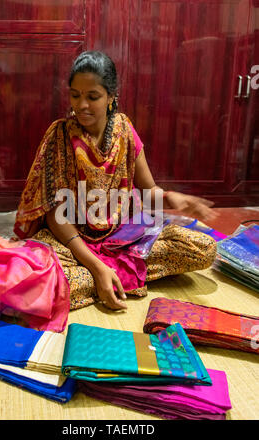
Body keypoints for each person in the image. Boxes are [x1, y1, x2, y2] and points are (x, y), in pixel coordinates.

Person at [14, 51, 218, 312]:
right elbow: (57, 216)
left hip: (122, 236)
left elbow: (148, 191)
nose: (82, 105)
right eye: (75, 95)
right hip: (72, 241)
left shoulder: (125, 131)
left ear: (111, 96)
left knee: (202, 247)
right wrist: (96, 266)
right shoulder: (59, 136)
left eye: (92, 96)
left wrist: (170, 199)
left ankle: (103, 279)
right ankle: (110, 276)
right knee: (30, 279)